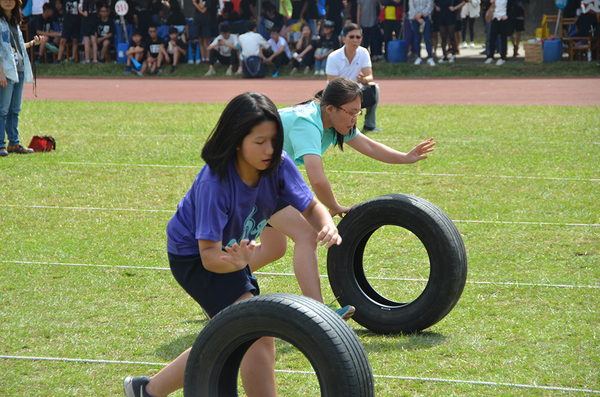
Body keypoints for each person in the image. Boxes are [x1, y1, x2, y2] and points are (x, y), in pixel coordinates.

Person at [122, 92, 343, 397]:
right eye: (259, 141)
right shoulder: (214, 184)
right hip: (193, 257)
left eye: (274, 139)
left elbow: (310, 206)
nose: (269, 149)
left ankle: (148, 390)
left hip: (230, 253)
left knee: (241, 332)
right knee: (250, 331)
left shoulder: (277, 163)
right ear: (237, 140)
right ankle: (149, 390)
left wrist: (326, 224)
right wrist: (237, 264)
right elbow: (209, 255)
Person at [253, 78, 435, 313]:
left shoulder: (335, 122)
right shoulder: (306, 123)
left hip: (270, 175)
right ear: (330, 109)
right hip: (251, 176)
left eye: (358, 113)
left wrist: (404, 156)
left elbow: (368, 146)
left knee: (273, 249)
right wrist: (333, 206)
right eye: (351, 113)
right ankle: (319, 313)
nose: (354, 119)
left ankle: (222, 290)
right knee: (307, 234)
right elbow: (316, 178)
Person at [0, 0, 43, 157]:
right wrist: (1, 73)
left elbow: (15, 46)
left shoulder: (14, 22)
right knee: (3, 110)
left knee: (14, 109)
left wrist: (32, 43)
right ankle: (0, 145)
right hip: (6, 71)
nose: (7, 1)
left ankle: (14, 143)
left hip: (19, 69)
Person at [326, 23, 379, 132]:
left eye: (358, 37)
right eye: (351, 37)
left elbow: (370, 77)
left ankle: (369, 125)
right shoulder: (333, 57)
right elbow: (333, 83)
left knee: (375, 88)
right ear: (344, 39)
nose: (355, 40)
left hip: (357, 92)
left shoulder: (364, 52)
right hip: (338, 93)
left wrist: (364, 80)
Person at [409, 0, 436, 66]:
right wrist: (417, 18)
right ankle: (418, 57)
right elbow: (411, 6)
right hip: (415, 18)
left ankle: (430, 57)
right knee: (417, 39)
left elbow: (429, 6)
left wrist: (421, 14)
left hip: (425, 18)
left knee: (427, 38)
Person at [484, 0, 510, 65]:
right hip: (495, 17)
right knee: (492, 37)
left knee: (503, 38)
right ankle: (490, 56)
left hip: (503, 18)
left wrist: (507, 15)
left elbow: (512, 7)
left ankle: (503, 57)